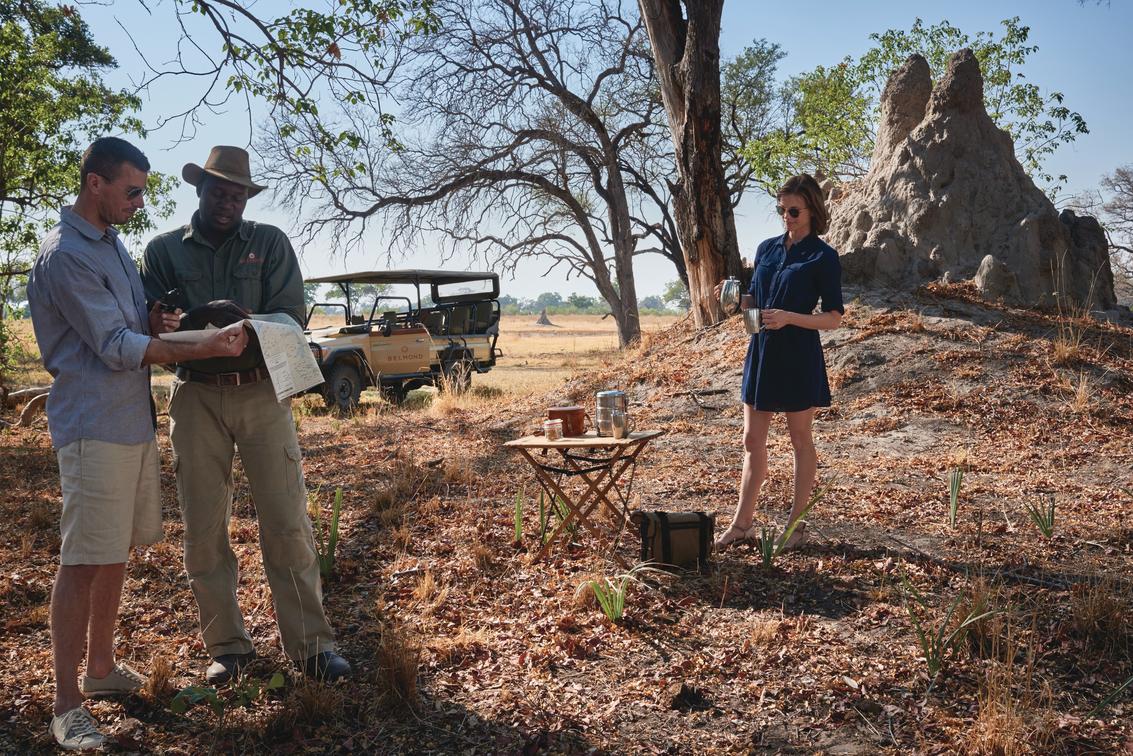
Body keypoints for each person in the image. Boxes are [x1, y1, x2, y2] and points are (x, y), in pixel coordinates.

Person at [27, 137, 248, 750]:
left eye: (143, 192)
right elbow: (114, 346)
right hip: (93, 428)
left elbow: (129, 326)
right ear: (94, 183)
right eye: (131, 191)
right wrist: (200, 345)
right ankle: (66, 704)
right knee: (82, 560)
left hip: (130, 423)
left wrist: (156, 320)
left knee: (113, 551)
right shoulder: (67, 255)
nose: (139, 203)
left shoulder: (110, 243)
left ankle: (100, 669)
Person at [140, 146, 350, 685]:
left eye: (238, 194)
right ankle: (227, 648)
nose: (228, 202)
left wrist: (246, 323)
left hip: (261, 391)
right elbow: (149, 324)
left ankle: (312, 647)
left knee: (286, 520)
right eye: (219, 192)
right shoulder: (162, 250)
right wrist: (168, 320)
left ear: (246, 198)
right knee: (203, 527)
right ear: (200, 190)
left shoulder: (269, 242)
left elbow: (292, 316)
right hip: (195, 395)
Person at [714, 173, 844, 551]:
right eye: (781, 209)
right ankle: (742, 525)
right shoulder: (767, 249)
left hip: (798, 354)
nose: (786, 216)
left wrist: (789, 317)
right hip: (762, 352)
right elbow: (755, 302)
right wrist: (734, 298)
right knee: (752, 439)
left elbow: (833, 318)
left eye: (794, 211)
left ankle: (796, 528)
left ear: (812, 210)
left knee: (800, 440)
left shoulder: (823, 257)